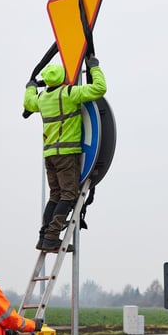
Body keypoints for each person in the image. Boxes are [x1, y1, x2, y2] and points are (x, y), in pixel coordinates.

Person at [23, 56, 107, 252]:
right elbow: (99, 89)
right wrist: (94, 68)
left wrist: (30, 86)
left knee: (55, 196)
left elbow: (28, 103)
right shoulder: (69, 93)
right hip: (67, 153)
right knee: (68, 196)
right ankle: (52, 237)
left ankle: (44, 237)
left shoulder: (42, 99)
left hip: (50, 154)